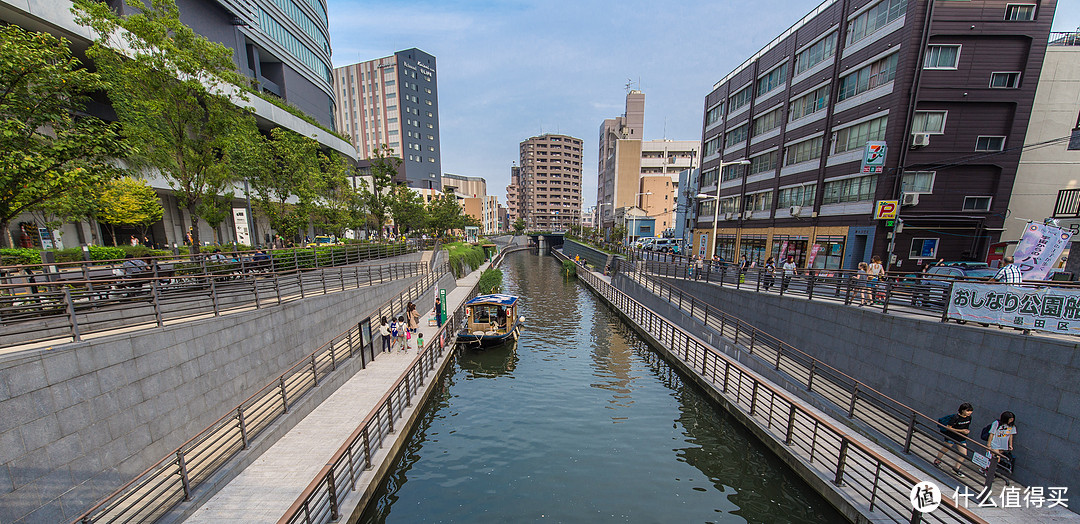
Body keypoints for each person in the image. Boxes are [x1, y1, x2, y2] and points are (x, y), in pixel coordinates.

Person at [934, 402, 974, 478]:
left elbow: (966, 426)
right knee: (945, 449)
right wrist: (961, 431)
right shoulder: (956, 417)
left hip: (961, 438)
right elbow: (949, 427)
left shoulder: (969, 418)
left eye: (971, 411)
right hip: (951, 436)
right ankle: (937, 461)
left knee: (963, 454)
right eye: (968, 411)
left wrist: (965, 431)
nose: (969, 413)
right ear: (962, 410)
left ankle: (956, 468)